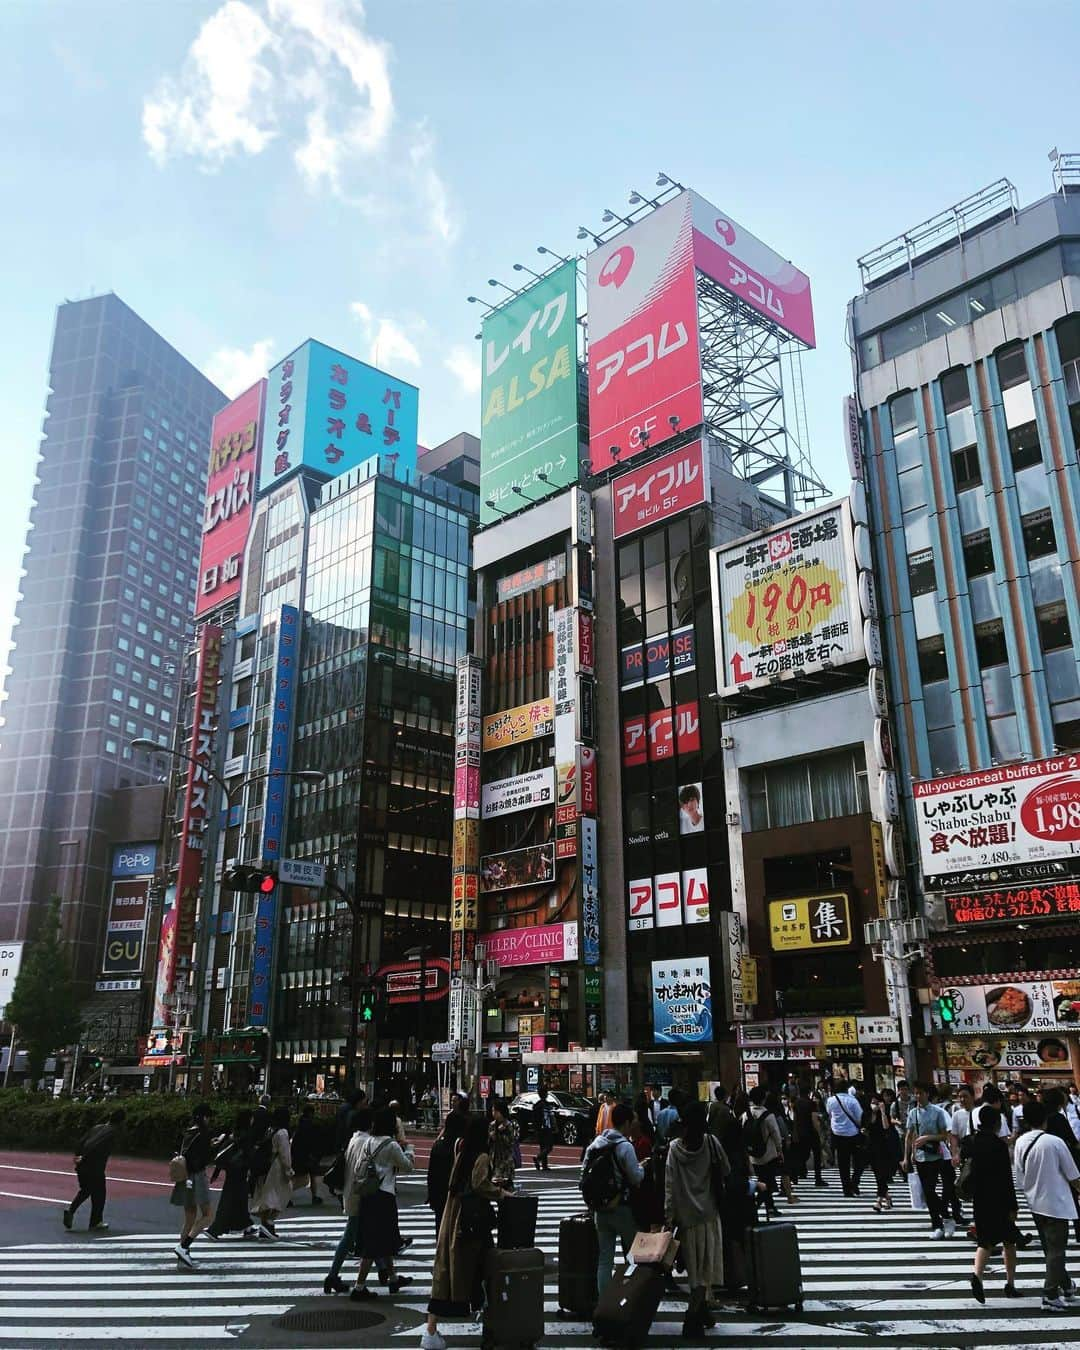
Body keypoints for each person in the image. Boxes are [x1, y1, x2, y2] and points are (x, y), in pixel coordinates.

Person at [423, 1114, 512, 1350]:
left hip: (454, 1218)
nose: (492, 1133)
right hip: (473, 1224)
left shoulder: (463, 1153)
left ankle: (430, 1331)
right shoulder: (481, 1156)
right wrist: (501, 1193)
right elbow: (480, 1184)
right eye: (489, 1130)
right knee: (487, 1272)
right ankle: (491, 1330)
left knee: (447, 1274)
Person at [665, 1100, 729, 1336]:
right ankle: (692, 1318)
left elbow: (669, 1187)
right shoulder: (711, 1143)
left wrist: (668, 1218)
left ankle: (702, 1312)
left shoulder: (674, 1148)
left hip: (685, 1219)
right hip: (709, 1214)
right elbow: (727, 1170)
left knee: (694, 1269)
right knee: (705, 1271)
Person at [1014, 1099, 1080, 1310]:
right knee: (1056, 1250)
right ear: (1045, 1119)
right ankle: (1050, 1293)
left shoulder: (1021, 1142)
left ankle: (1067, 1285)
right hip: (1056, 1204)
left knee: (1051, 1249)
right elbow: (1073, 1176)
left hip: (1034, 1202)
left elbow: (1020, 1177)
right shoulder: (1054, 1142)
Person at [347, 1105, 415, 1301]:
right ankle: (359, 1287)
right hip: (384, 1196)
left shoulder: (368, 1142)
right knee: (375, 1243)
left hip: (368, 1195)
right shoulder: (391, 1145)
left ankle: (393, 1278)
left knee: (381, 1239)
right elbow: (408, 1167)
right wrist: (409, 1150)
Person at [582, 1102, 644, 1294]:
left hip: (600, 1209)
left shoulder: (596, 1144)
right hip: (622, 1207)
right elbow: (636, 1178)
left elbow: (583, 1176)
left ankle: (605, 1305)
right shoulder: (625, 1147)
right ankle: (631, 1299)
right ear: (625, 1123)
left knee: (604, 1260)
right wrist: (643, 1168)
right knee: (634, 1256)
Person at [962, 1105, 1021, 1302]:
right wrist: (1013, 1206)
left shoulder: (971, 1142)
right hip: (1000, 1199)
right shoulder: (998, 1145)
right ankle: (1010, 1283)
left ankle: (977, 1275)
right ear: (996, 1123)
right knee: (1009, 1241)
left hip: (980, 1198)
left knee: (985, 1241)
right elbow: (1006, 1178)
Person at [903, 1082, 954, 1239]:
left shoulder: (937, 1112)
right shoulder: (913, 1113)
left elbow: (944, 1135)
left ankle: (945, 1217)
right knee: (927, 1192)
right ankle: (938, 1224)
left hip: (935, 1155)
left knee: (931, 1190)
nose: (917, 1096)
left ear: (927, 1094)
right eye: (916, 1093)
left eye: (920, 1093)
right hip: (919, 1156)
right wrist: (907, 1156)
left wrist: (927, 1138)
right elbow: (909, 1136)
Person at [206, 1108, 264, 1241]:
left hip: (233, 1169)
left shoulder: (235, 1132)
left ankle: (245, 1225)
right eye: (251, 1118)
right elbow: (249, 1154)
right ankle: (215, 1229)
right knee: (231, 1199)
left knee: (239, 1198)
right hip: (240, 1170)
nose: (252, 1120)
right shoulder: (247, 1135)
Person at [64, 1108, 124, 1232]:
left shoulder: (97, 1127)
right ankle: (94, 1221)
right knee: (99, 1194)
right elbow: (96, 1146)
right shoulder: (112, 1132)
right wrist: (85, 1158)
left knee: (86, 1190)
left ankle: (73, 1212)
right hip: (94, 1166)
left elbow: (82, 1142)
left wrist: (78, 1156)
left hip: (83, 1165)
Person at [171, 1102, 214, 1268]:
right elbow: (205, 1158)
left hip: (185, 1177)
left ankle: (183, 1256)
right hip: (197, 1176)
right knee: (208, 1216)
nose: (210, 1120)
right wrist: (213, 1146)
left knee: (189, 1217)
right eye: (209, 1116)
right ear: (204, 1117)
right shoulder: (203, 1134)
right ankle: (184, 1246)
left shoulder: (189, 1133)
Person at [252, 1104, 294, 1237]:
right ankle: (269, 1223)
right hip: (277, 1167)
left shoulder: (271, 1129)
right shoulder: (282, 1132)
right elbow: (285, 1154)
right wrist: (289, 1170)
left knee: (267, 1194)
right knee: (279, 1195)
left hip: (268, 1165)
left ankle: (265, 1225)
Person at [745, 1087, 788, 1214]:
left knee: (763, 1180)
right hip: (768, 1154)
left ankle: (769, 1206)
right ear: (763, 1099)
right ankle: (758, 1205)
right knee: (769, 1182)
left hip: (752, 1155)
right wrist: (780, 1150)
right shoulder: (769, 1116)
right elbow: (776, 1134)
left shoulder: (745, 1114)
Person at [426, 1111, 467, 1240]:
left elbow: (431, 1173)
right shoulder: (461, 1145)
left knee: (441, 1228)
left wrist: (431, 1195)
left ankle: (441, 1257)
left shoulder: (438, 1145)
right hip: (457, 1194)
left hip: (439, 1193)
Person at [825, 1078, 864, 1198]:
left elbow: (829, 1114)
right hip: (853, 1133)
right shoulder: (852, 1100)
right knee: (859, 1161)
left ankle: (846, 1189)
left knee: (843, 1164)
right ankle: (854, 1181)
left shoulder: (831, 1100)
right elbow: (860, 1116)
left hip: (837, 1134)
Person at [867, 1092, 899, 1212]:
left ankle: (879, 1201)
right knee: (878, 1176)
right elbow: (866, 1126)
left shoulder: (883, 1115)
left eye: (876, 1102)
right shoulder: (869, 1115)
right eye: (872, 1102)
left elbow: (886, 1127)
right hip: (872, 1148)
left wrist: (882, 1111)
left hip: (884, 1148)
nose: (873, 1105)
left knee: (881, 1175)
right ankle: (888, 1197)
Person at [291, 1103, 327, 1205]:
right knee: (312, 1175)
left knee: (295, 1176)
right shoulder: (313, 1125)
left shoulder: (299, 1124)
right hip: (310, 1154)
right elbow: (316, 1141)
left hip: (299, 1153)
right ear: (311, 1113)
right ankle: (314, 1196)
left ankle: (288, 1197)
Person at [792, 1084, 826, 1187]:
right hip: (811, 1131)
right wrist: (819, 1132)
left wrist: (795, 1132)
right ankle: (818, 1178)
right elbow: (814, 1119)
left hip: (800, 1131)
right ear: (808, 1092)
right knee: (816, 1154)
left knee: (801, 1154)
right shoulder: (811, 1103)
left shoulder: (796, 1103)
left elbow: (795, 1118)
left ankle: (798, 1174)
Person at [488, 1096, 518, 1190]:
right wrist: (491, 1137)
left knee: (506, 1183)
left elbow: (511, 1142)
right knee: (496, 1183)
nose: (494, 1113)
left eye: (496, 1111)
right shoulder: (492, 1125)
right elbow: (488, 1141)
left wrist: (500, 1134)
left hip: (506, 1160)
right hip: (494, 1158)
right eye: (493, 1111)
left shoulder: (508, 1125)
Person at [532, 1085, 557, 1171]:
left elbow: (534, 1118)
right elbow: (550, 1116)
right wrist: (554, 1126)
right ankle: (538, 1158)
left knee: (543, 1146)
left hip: (539, 1128)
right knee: (549, 1146)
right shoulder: (546, 1105)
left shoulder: (536, 1105)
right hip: (546, 1127)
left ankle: (544, 1165)